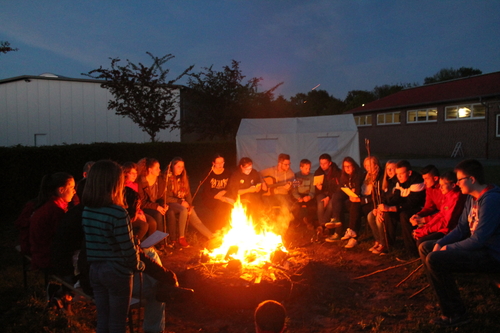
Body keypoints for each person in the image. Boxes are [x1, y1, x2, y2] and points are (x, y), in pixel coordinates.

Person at [419, 159, 500, 328]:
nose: (457, 183)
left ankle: (455, 313)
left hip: (491, 255)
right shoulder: (471, 199)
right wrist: (441, 242)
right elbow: (461, 228)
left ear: (472, 179)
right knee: (426, 247)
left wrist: (448, 248)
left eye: (459, 180)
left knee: (436, 259)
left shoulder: (491, 200)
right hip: (479, 248)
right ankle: (445, 301)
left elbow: (479, 239)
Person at [82, 160, 145, 333]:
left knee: (103, 320)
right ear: (114, 183)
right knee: (118, 322)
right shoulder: (118, 213)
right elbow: (127, 249)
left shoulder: (88, 209)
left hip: (95, 270)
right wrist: (137, 264)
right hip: (117, 272)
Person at [378, 160, 426, 258]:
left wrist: (393, 208)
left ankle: (411, 251)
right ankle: (388, 244)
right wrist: (385, 207)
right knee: (389, 214)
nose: (398, 176)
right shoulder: (399, 181)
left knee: (404, 215)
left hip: (418, 208)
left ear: (409, 172)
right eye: (397, 173)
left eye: (401, 174)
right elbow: (396, 198)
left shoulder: (417, 181)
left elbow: (412, 203)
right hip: (405, 207)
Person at [29, 172, 76, 271]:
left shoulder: (49, 205)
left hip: (39, 255)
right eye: (72, 187)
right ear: (61, 190)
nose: (74, 191)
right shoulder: (56, 210)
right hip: (47, 259)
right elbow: (63, 239)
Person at [165, 157, 214, 247]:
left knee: (196, 220)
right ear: (172, 166)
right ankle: (181, 237)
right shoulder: (167, 179)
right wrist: (180, 202)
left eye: (182, 167)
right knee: (183, 210)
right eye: (178, 166)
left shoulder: (183, 178)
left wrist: (190, 205)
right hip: (172, 203)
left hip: (183, 203)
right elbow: (166, 197)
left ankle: (212, 237)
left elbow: (188, 194)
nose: (181, 169)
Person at [413, 171, 466, 246]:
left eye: (442, 185)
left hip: (451, 230)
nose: (440, 188)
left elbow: (446, 223)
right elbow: (441, 214)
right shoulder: (448, 195)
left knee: (422, 242)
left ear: (453, 185)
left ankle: (432, 256)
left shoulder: (455, 199)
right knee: (419, 233)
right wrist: (424, 227)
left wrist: (425, 231)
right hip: (444, 228)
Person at [331, 157, 365, 248]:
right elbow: (340, 188)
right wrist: (348, 191)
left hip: (358, 197)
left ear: (353, 166)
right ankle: (336, 220)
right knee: (336, 196)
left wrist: (354, 191)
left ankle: (352, 232)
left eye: (349, 166)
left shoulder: (358, 174)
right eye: (345, 167)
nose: (347, 168)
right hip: (349, 195)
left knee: (353, 203)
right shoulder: (344, 176)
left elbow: (359, 189)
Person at [368, 160, 398, 255]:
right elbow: (383, 198)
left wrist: (385, 208)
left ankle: (385, 243)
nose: (390, 171)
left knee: (379, 219)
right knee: (371, 215)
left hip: (394, 208)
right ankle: (379, 240)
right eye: (388, 169)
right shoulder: (386, 182)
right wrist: (378, 208)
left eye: (392, 169)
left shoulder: (397, 183)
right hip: (385, 207)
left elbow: (395, 199)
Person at [200, 154, 233, 231]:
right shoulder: (208, 173)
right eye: (218, 163)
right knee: (220, 207)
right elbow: (206, 191)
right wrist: (221, 198)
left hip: (224, 195)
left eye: (222, 162)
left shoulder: (228, 173)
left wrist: (224, 191)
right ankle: (219, 228)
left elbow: (230, 186)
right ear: (213, 163)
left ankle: (229, 226)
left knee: (231, 206)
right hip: (210, 197)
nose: (220, 164)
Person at [313, 153, 342, 238]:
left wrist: (328, 196)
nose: (322, 166)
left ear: (330, 163)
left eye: (324, 163)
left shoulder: (337, 172)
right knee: (320, 203)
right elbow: (316, 190)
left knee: (330, 204)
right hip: (322, 193)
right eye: (321, 163)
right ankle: (325, 228)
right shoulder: (318, 172)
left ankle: (322, 226)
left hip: (333, 194)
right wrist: (319, 188)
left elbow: (337, 188)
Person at [137, 158, 168, 233]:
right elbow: (143, 202)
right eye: (157, 168)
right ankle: (160, 241)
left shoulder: (160, 180)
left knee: (169, 212)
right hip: (145, 207)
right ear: (150, 170)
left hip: (155, 205)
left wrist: (163, 204)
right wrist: (156, 207)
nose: (159, 170)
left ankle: (171, 239)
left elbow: (160, 197)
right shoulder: (141, 182)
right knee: (157, 214)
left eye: (159, 168)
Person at [123, 162, 151, 240]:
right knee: (144, 225)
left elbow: (138, 202)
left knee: (152, 222)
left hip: (137, 211)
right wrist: (136, 214)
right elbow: (126, 206)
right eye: (132, 173)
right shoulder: (123, 187)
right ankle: (135, 245)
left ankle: (147, 246)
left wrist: (140, 212)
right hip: (129, 214)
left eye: (136, 173)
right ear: (125, 173)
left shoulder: (135, 185)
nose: (135, 175)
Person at [291, 159, 316, 229]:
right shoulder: (296, 176)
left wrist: (309, 197)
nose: (308, 170)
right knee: (296, 206)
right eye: (306, 168)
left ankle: (309, 222)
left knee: (312, 206)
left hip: (308, 195)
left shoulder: (312, 177)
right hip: (299, 195)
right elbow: (294, 189)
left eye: (309, 168)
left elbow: (313, 190)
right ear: (301, 168)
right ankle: (297, 222)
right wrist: (298, 197)